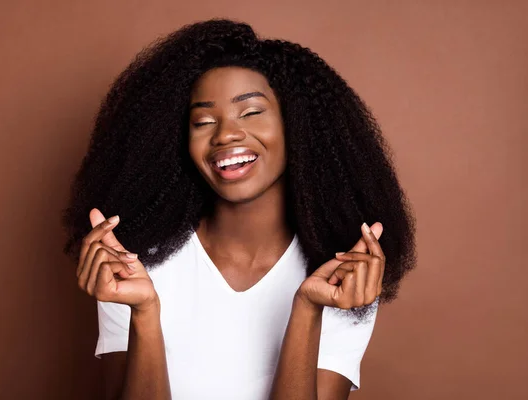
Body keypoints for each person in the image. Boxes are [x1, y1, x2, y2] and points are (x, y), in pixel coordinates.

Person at [62, 18, 416, 400]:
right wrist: (145, 315)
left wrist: (308, 307)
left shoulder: (342, 273)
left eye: (250, 113)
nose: (225, 134)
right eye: (203, 121)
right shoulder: (132, 262)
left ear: (297, 127)